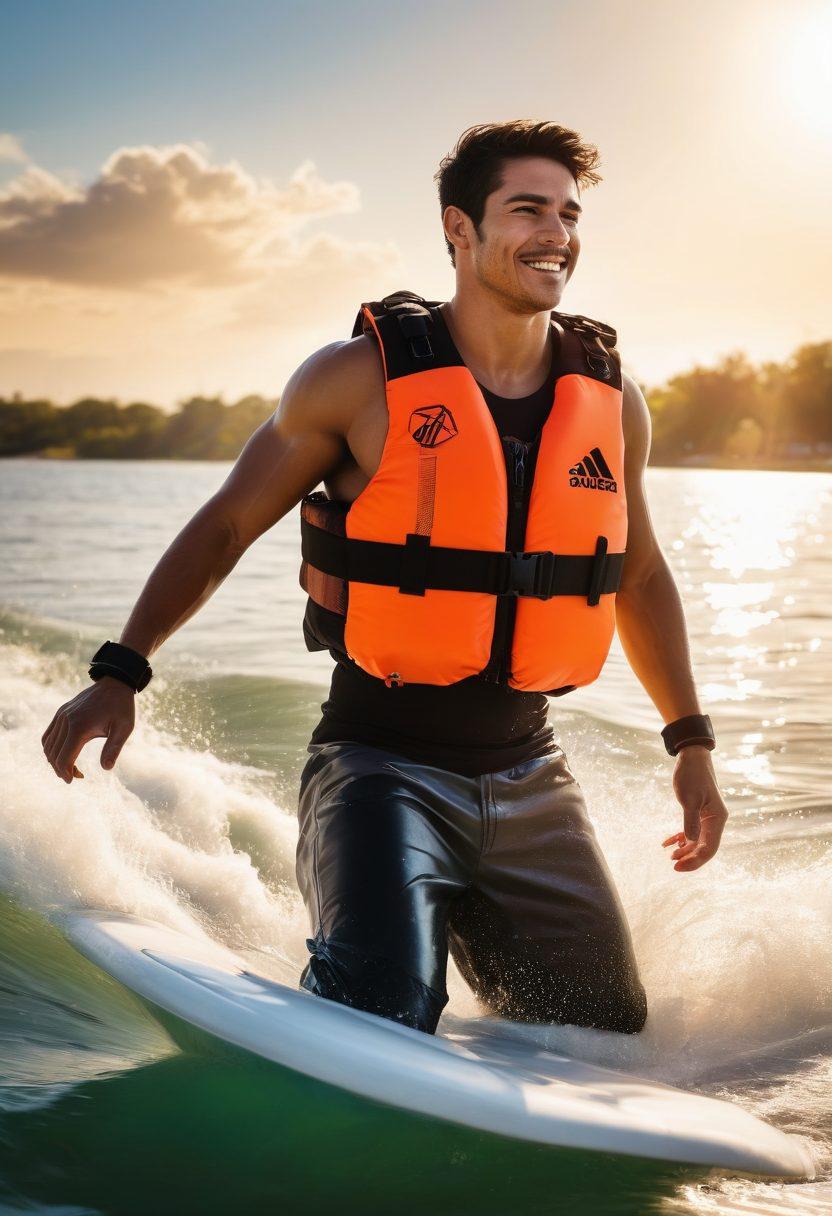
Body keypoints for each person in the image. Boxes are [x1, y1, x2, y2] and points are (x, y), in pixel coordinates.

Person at [41, 120, 728, 1037]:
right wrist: (119, 672)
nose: (556, 233)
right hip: (377, 769)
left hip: (531, 775)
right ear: (459, 228)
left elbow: (636, 575)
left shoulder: (612, 398)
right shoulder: (354, 379)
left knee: (605, 1032)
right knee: (383, 1012)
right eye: (527, 210)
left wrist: (691, 743)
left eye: (568, 214)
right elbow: (227, 525)